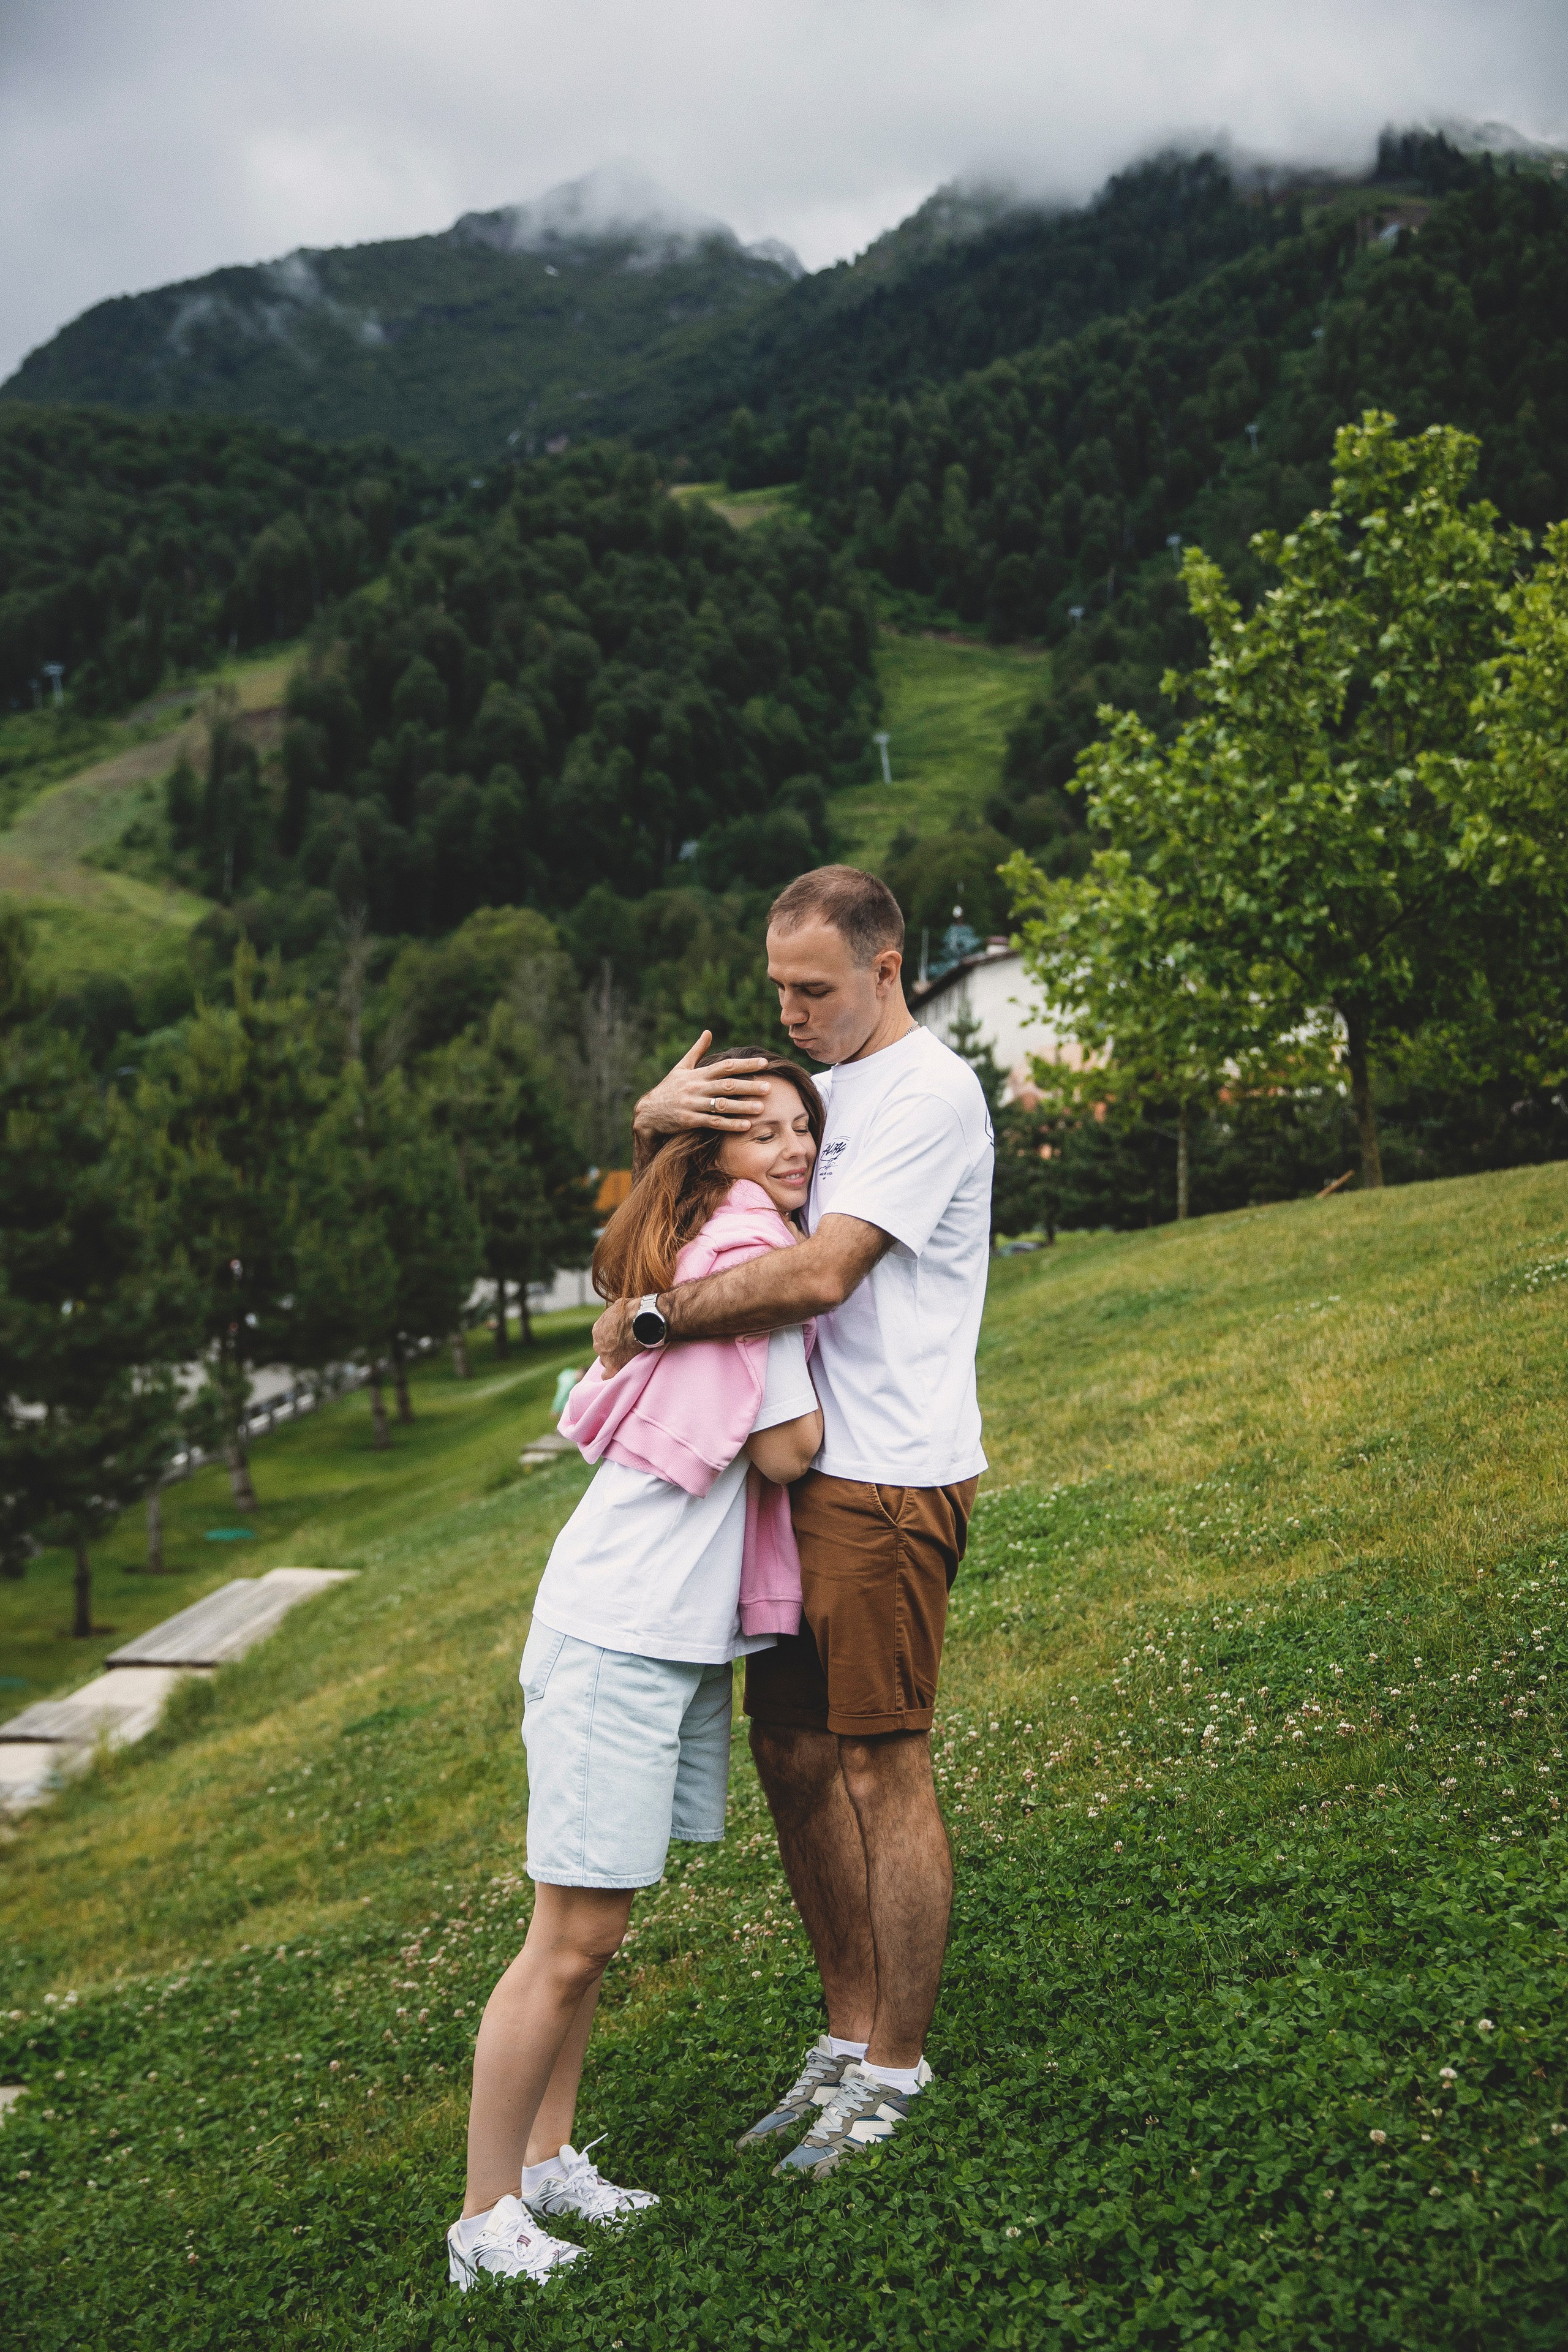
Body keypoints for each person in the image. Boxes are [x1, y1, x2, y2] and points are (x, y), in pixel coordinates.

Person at [592, 865, 993, 2180]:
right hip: (791, 1487)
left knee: (882, 1765)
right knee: (796, 1761)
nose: (790, 1011)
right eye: (777, 988)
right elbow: (682, 1215)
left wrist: (648, 1328)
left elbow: (819, 1273)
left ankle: (896, 2067)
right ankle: (843, 2033)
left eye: (813, 991)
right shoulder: (806, 1085)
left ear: (886, 970)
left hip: (886, 1481)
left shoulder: (928, 1094)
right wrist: (652, 1124)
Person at [447, 1053, 824, 2291]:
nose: (793, 1147)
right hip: (615, 1632)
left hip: (653, 1637)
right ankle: (482, 2218)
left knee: (589, 1935)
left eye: (805, 1129)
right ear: (716, 1161)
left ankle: (547, 2162)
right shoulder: (744, 1277)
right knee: (570, 1934)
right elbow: (787, 1452)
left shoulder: (701, 1271)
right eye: (763, 1130)